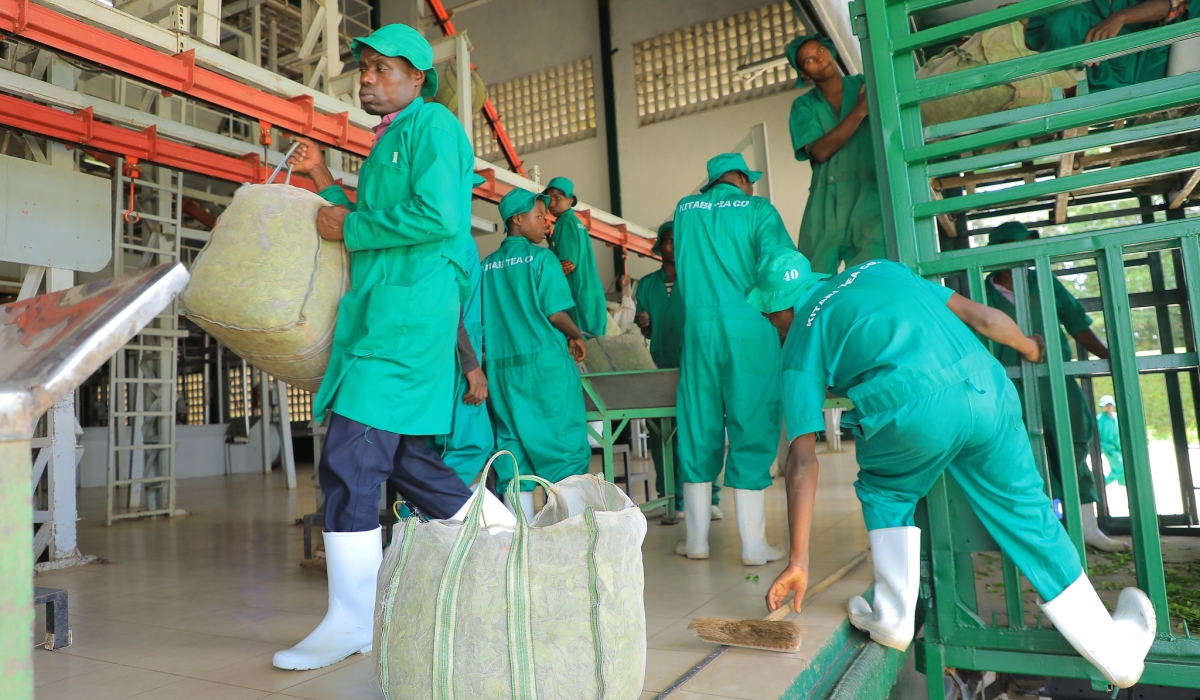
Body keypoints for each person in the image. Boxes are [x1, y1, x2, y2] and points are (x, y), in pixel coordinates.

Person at [751, 249, 1156, 690]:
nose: (775, 328)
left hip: (912, 410)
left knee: (887, 491)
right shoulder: (879, 270)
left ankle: (892, 616)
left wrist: (798, 561)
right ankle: (1112, 652)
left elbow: (801, 460)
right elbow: (982, 318)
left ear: (781, 307)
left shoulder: (801, 337)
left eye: (772, 319)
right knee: (1027, 513)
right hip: (986, 388)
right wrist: (1029, 347)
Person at [274, 24, 513, 672]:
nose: (369, 78)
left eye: (383, 69)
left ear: (417, 78)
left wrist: (348, 220)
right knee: (408, 460)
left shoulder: (433, 126)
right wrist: (326, 180)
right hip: (386, 314)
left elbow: (436, 218)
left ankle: (352, 623)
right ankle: (504, 535)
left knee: (350, 460)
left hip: (405, 322)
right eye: (366, 69)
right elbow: (371, 226)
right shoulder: (389, 143)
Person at [674, 152, 796, 566]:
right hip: (750, 326)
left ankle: (696, 541)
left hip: (698, 330)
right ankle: (753, 546)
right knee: (752, 425)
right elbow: (779, 266)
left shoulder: (685, 210)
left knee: (698, 425)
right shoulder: (757, 208)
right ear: (743, 179)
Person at [985, 221, 1127, 552]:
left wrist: (1112, 359)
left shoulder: (1044, 282)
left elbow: (1077, 324)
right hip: (1010, 386)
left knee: (1072, 448)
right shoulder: (982, 294)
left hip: (1055, 382)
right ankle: (1043, 537)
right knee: (1023, 459)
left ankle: (1087, 529)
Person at [482, 188, 591, 521]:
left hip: (502, 371)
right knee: (565, 451)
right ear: (518, 219)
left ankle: (521, 545)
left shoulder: (486, 267)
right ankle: (569, 541)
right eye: (540, 216)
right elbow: (556, 314)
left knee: (513, 453)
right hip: (545, 370)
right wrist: (576, 335)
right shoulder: (542, 259)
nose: (547, 223)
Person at [634, 220, 722, 521]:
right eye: (668, 241)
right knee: (661, 433)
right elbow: (649, 333)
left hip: (695, 364)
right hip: (659, 364)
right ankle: (670, 496)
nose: (672, 247)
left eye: (677, 240)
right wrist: (646, 325)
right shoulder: (646, 285)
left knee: (699, 429)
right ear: (659, 246)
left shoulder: (697, 279)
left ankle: (710, 496)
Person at [785, 33, 886, 274]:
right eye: (809, 60)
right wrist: (860, 111)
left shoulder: (866, 83)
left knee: (872, 274)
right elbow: (819, 151)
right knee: (813, 279)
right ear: (804, 74)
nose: (819, 59)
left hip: (869, 196)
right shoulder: (804, 106)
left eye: (820, 50)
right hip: (824, 202)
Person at [428, 172, 495, 486]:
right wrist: (471, 365)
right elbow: (450, 303)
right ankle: (423, 517)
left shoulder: (430, 232)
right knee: (472, 443)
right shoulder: (457, 237)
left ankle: (423, 521)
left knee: (435, 445)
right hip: (456, 355)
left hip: (438, 352)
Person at [1025, 0, 1198, 92]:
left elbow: (1176, 5)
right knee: (1064, 20)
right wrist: (1016, 21)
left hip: (1146, 75)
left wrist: (1120, 18)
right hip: (1084, 89)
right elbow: (1029, 28)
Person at [544, 176, 609, 337]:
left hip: (578, 296)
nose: (552, 203)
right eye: (549, 199)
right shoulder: (575, 221)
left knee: (581, 345)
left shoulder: (565, 222)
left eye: (557, 198)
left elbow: (568, 263)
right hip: (590, 295)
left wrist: (544, 284)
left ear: (570, 200)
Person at [1098, 395, 1127, 486]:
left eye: (1110, 405)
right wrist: (1104, 446)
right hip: (1108, 448)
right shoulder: (1099, 419)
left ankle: (1122, 483)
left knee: (1123, 466)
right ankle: (1103, 483)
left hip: (1119, 446)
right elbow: (1098, 435)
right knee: (1119, 466)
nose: (1109, 407)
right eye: (1106, 405)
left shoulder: (1116, 416)